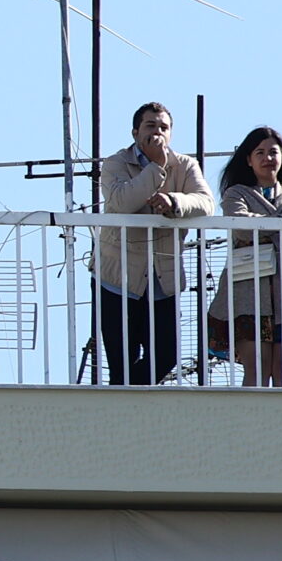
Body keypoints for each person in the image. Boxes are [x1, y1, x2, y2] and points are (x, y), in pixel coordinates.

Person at [93, 103, 213, 385]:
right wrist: (157, 167)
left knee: (167, 354)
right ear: (135, 132)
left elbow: (206, 203)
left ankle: (127, 394)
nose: (157, 132)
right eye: (150, 126)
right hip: (116, 279)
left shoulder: (184, 165)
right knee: (121, 358)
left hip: (162, 279)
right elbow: (121, 202)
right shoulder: (115, 163)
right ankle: (125, 401)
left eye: (163, 127)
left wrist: (174, 202)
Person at [205, 126, 282, 387]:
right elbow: (239, 226)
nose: (267, 157)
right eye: (259, 152)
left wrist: (260, 228)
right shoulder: (236, 193)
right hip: (247, 291)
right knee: (256, 369)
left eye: (273, 151)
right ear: (248, 160)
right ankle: (251, 424)